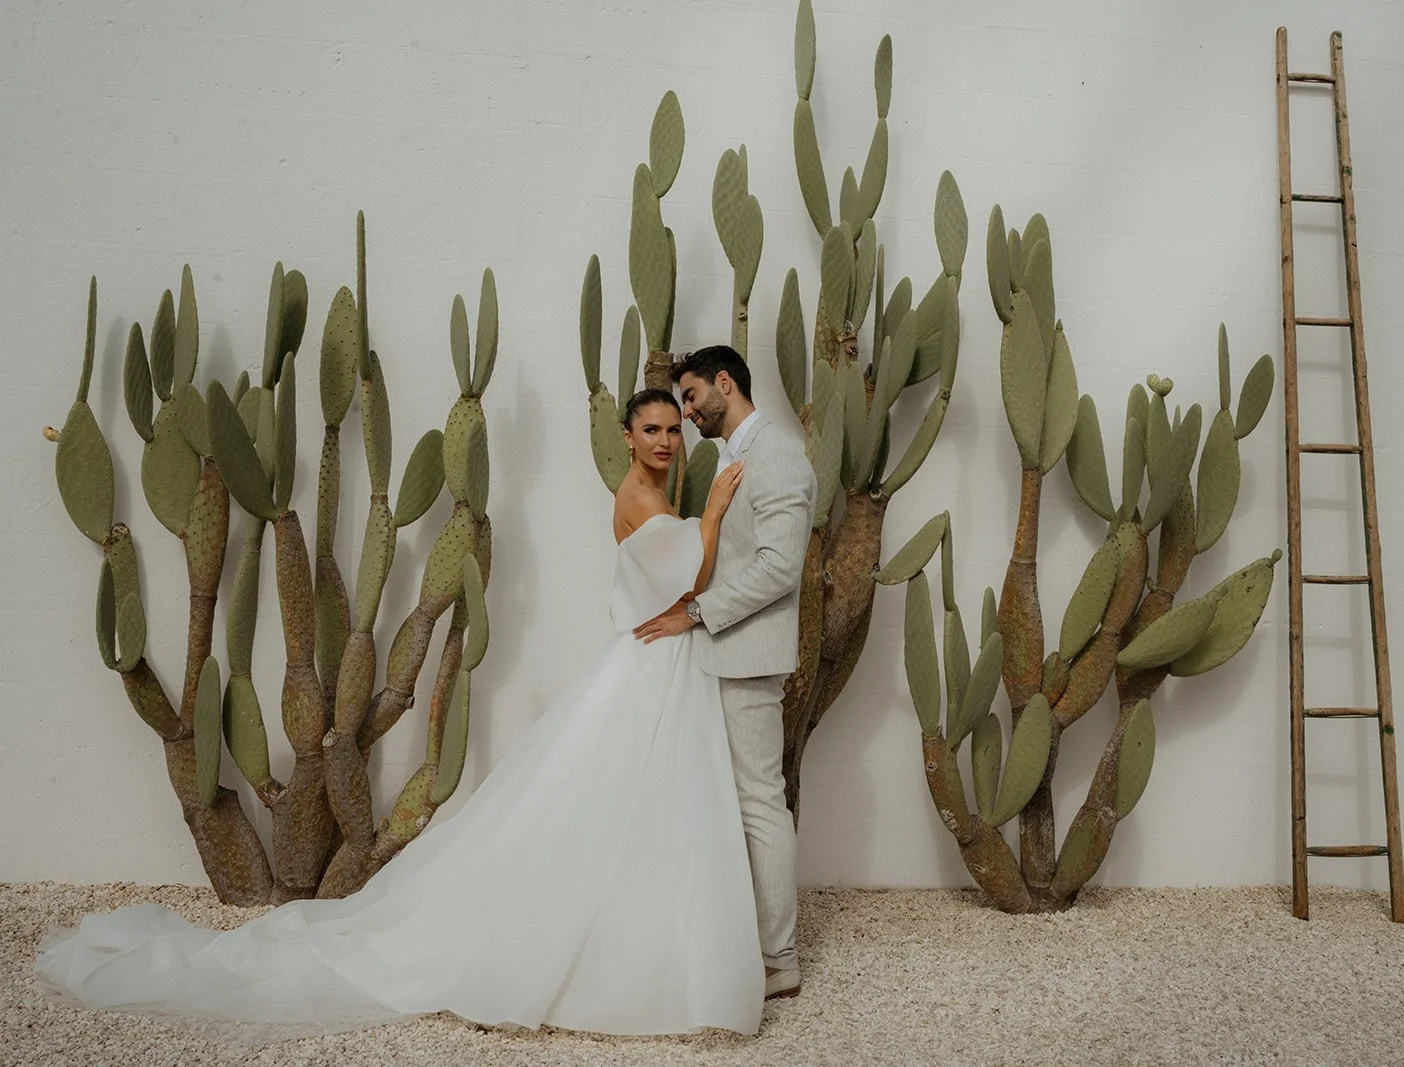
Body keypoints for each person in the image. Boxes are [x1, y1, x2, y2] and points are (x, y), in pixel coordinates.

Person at [34, 388, 769, 1042]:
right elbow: (692, 575)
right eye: (651, 430)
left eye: (673, 429)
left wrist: (697, 540)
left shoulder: (654, 494)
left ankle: (653, 943)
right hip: (653, 661)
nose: (665, 441)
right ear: (627, 438)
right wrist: (712, 513)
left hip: (662, 660)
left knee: (647, 803)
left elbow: (680, 586)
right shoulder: (640, 497)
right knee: (630, 798)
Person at [633, 345, 817, 1000]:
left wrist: (695, 613)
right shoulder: (734, 458)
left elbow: (779, 567)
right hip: (721, 653)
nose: (685, 412)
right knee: (732, 801)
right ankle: (738, 939)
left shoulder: (779, 455)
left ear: (724, 383)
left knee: (760, 802)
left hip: (748, 656)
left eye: (690, 396)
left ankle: (779, 959)